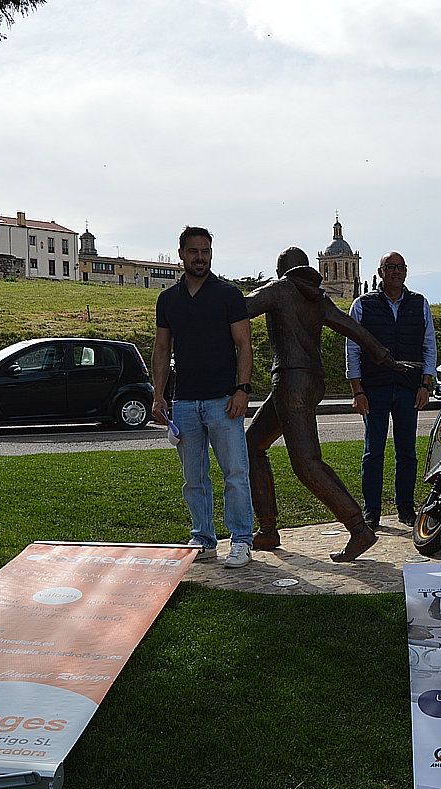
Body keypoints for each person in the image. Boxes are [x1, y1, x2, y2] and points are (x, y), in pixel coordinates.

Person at [245, 246, 412, 563]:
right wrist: (383, 355)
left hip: (291, 381)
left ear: (282, 270)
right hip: (312, 381)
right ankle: (267, 529)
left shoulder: (279, 289)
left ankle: (358, 528)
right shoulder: (317, 296)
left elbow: (242, 307)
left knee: (307, 463)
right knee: (252, 444)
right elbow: (352, 328)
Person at [151, 226, 254, 568]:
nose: (200, 257)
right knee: (194, 478)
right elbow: (162, 349)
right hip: (184, 403)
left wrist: (242, 389)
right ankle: (204, 539)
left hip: (224, 400)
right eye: (193, 251)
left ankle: (241, 540)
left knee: (235, 473)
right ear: (181, 254)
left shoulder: (228, 295)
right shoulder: (168, 300)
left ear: (211, 253)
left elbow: (244, 345)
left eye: (205, 251)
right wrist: (159, 395)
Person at [347, 252, 437, 529]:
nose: (396, 272)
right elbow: (352, 349)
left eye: (400, 267)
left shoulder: (419, 304)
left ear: (406, 272)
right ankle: (371, 510)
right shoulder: (362, 305)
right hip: (374, 389)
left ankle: (405, 509)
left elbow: (429, 346)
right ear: (380, 272)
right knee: (373, 451)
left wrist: (426, 385)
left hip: (410, 389)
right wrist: (357, 390)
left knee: (407, 451)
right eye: (390, 267)